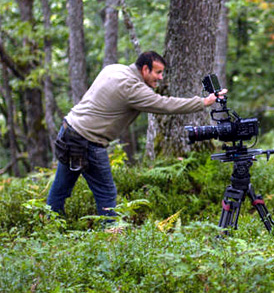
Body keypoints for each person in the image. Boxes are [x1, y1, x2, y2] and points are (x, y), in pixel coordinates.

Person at [47, 50, 226, 219]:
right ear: (145, 69)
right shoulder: (132, 88)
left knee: (61, 188)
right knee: (107, 194)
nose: (161, 78)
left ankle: (49, 224)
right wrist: (204, 102)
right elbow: (165, 105)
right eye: (158, 72)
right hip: (87, 142)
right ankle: (109, 238)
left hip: (69, 129)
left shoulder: (114, 69)